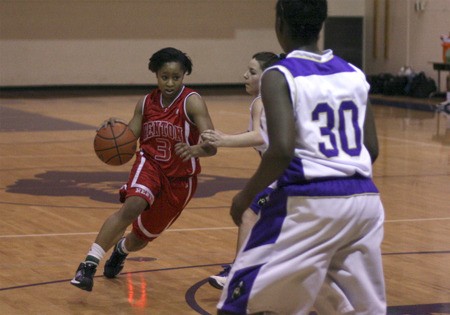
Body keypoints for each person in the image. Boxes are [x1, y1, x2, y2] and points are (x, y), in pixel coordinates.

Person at [217, 0, 386, 314]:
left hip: (310, 201)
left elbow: (280, 149)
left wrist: (245, 196)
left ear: (280, 22)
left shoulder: (279, 74)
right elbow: (371, 149)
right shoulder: (353, 73)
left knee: (238, 301)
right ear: (322, 23)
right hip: (365, 200)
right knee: (356, 308)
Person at [70, 47, 216, 292]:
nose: (170, 83)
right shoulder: (146, 102)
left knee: (141, 238)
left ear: (184, 76)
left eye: (176, 77)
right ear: (156, 75)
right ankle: (88, 264)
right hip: (150, 164)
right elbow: (129, 137)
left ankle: (121, 250)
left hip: (181, 179)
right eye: (164, 77)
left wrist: (197, 150)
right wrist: (114, 130)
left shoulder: (192, 102)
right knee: (133, 205)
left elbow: (212, 145)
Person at [202, 52, 281, 289]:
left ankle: (239, 273)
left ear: (267, 77)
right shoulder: (274, 100)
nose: (245, 75)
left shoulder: (261, 101)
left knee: (248, 212)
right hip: (290, 173)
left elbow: (259, 136)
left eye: (253, 72)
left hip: (285, 174)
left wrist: (224, 140)